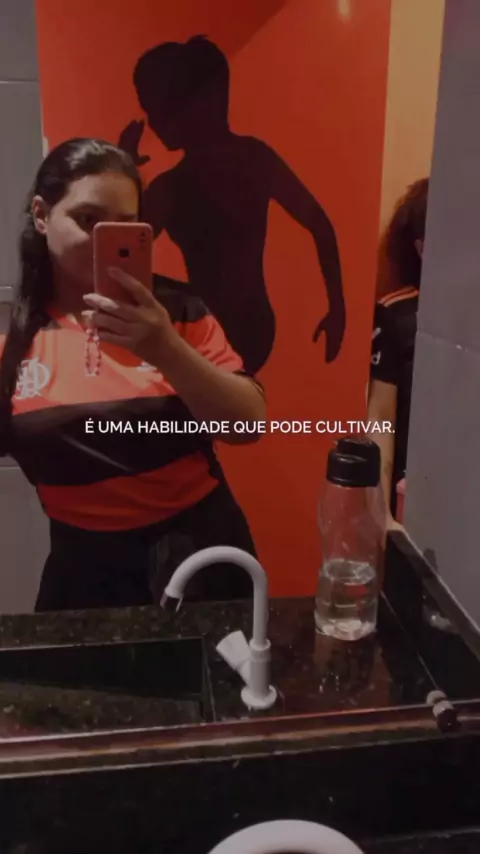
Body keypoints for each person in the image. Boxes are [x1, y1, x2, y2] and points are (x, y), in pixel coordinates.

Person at [0, 138, 267, 611]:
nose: (106, 239)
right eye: (88, 220)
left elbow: (248, 424)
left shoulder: (176, 312)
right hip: (82, 569)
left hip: (196, 555)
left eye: (125, 225)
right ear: (42, 215)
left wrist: (164, 348)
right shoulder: (13, 342)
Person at [118, 35, 346, 375]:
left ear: (196, 105)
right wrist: (337, 308)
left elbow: (120, 255)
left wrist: (124, 168)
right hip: (246, 327)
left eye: (158, 110)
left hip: (224, 331)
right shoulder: (248, 160)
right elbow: (121, 256)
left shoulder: (176, 186)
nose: (153, 123)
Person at [368, 178, 429, 526]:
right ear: (421, 247)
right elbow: (380, 417)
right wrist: (383, 516)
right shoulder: (397, 315)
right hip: (414, 495)